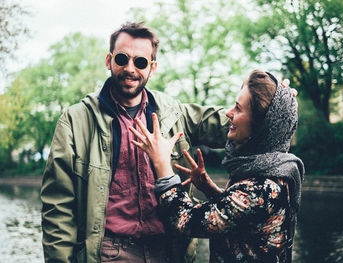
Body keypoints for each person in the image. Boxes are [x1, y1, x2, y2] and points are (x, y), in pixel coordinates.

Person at [40, 22, 230, 263]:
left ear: (152, 68)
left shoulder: (174, 113)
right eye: (122, 59)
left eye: (140, 62)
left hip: (170, 252)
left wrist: (270, 101)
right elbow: (58, 209)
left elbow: (231, 122)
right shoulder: (75, 121)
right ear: (109, 61)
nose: (130, 68)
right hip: (109, 253)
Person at [130, 70, 305, 262]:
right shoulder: (276, 171)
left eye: (238, 109)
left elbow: (185, 220)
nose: (229, 113)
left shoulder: (259, 189)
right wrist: (211, 190)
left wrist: (162, 164)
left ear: (259, 127)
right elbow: (241, 219)